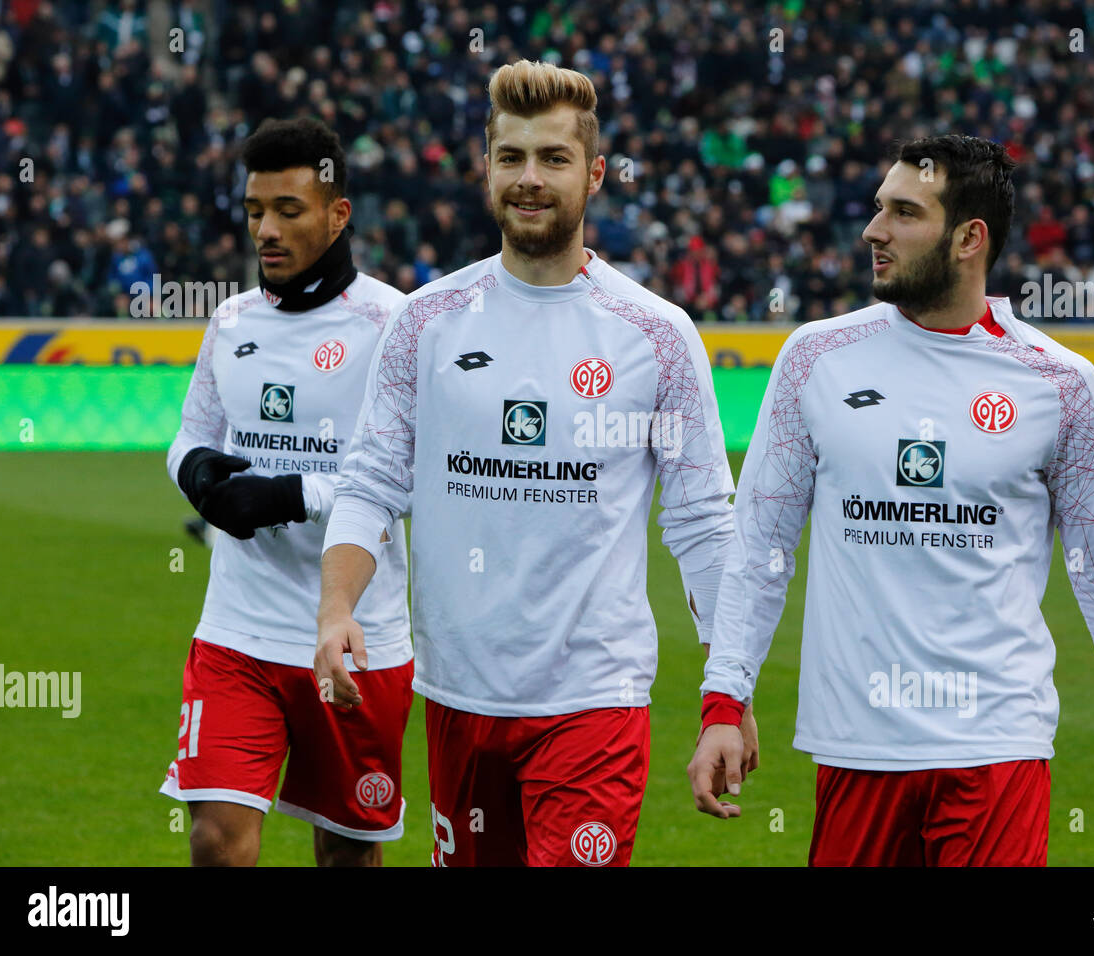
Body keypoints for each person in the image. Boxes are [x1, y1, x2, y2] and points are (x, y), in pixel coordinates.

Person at [688, 134, 1094, 866]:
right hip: (856, 746)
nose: (874, 230)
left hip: (996, 749)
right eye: (878, 208)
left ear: (971, 238)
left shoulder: (1059, 386)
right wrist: (724, 703)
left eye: (905, 212)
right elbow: (759, 550)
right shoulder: (814, 359)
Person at [315, 59, 744, 867]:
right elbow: (369, 482)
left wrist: (726, 693)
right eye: (511, 157)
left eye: (553, 158)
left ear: (596, 173)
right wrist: (337, 609)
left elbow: (701, 523)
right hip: (456, 696)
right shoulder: (426, 323)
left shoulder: (655, 333)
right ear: (487, 168)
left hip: (593, 702)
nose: (530, 179)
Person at [160, 117, 414, 866]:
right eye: (253, 212)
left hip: (358, 641)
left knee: (345, 853)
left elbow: (411, 477)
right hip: (236, 632)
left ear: (338, 215)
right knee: (215, 839)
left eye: (288, 211)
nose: (265, 230)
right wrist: (202, 477)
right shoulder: (230, 319)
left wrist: (291, 494)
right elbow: (187, 436)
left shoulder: (395, 325)